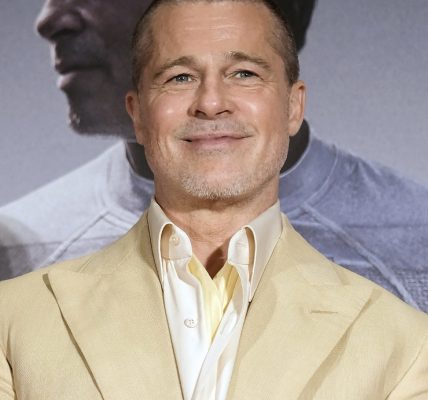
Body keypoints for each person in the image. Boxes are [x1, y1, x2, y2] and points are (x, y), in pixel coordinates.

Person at [1, 1, 427, 398]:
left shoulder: (405, 344)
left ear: (294, 106)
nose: (210, 103)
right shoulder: (14, 320)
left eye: (243, 73)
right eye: (179, 77)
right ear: (138, 114)